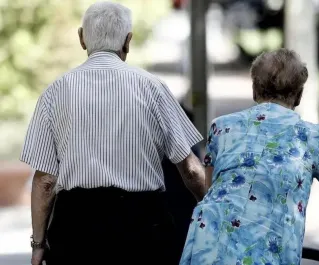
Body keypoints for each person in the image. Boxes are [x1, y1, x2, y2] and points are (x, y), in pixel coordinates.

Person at [20, 2, 206, 265]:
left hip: (76, 229)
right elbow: (191, 170)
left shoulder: (55, 92)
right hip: (143, 225)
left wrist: (38, 244)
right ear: (127, 41)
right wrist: (210, 210)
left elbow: (45, 181)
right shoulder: (152, 88)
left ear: (82, 38)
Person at [179, 48, 319, 265]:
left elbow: (209, 188)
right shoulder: (310, 135)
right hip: (268, 252)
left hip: (209, 246)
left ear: (254, 89)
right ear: (298, 95)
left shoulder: (221, 127)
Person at [163, 104, 200, 261]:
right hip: (186, 206)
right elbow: (194, 173)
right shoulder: (189, 149)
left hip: (163, 208)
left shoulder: (157, 143)